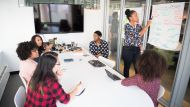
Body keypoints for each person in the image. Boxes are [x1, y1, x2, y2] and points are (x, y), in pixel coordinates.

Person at [122, 9, 152, 77]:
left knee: (137, 67)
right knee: (127, 67)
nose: (137, 17)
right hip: (128, 49)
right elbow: (138, 35)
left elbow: (139, 38)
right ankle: (125, 80)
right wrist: (147, 25)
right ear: (130, 18)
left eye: (137, 15)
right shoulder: (127, 26)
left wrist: (141, 47)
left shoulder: (138, 25)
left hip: (136, 49)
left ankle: (137, 81)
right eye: (135, 15)